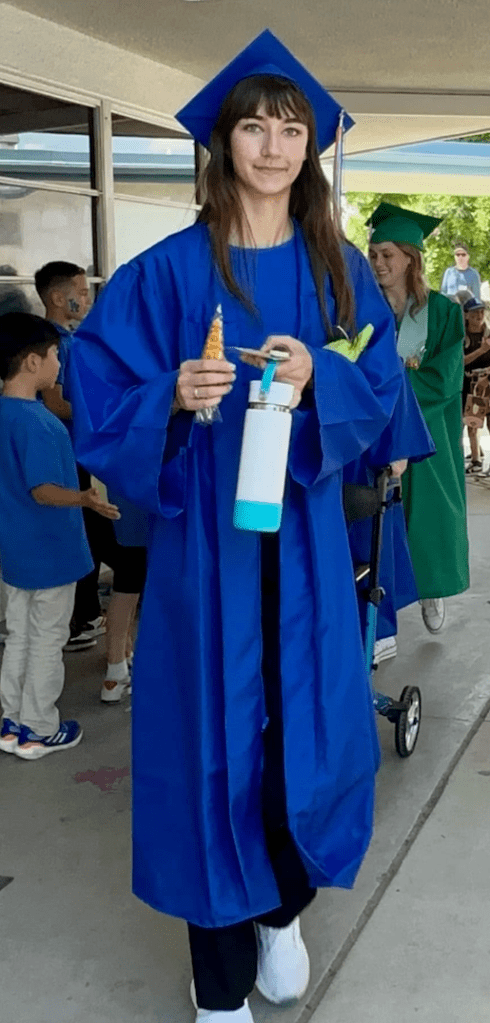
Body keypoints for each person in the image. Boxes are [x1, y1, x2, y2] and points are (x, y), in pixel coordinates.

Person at [68, 30, 410, 1023]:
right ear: (225, 143)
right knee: (208, 749)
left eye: (291, 129)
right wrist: (171, 396)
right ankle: (218, 982)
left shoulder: (338, 269)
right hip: (204, 555)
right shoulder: (168, 272)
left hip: (302, 544)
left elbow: (380, 383)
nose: (272, 145)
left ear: (309, 148)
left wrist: (320, 377)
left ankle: (280, 909)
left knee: (307, 738)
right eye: (254, 127)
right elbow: (98, 386)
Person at [0, 313, 119, 761]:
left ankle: (12, 722)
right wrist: (84, 499)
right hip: (52, 554)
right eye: (54, 354)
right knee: (47, 640)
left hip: (15, 553)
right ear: (32, 362)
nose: (58, 363)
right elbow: (43, 491)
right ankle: (39, 729)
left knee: (19, 637)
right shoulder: (41, 423)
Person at [368, 202, 469, 636]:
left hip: (426, 427)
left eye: (388, 255)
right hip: (374, 425)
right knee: (375, 515)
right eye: (374, 254)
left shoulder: (443, 312)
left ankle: (432, 587)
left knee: (426, 513)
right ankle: (377, 604)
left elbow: (445, 378)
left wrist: (389, 384)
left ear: (410, 258)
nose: (379, 263)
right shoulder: (363, 307)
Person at [35, 261, 107, 650]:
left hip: (75, 448)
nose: (87, 299)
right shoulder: (53, 342)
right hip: (62, 450)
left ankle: (87, 611)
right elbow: (56, 403)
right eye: (80, 292)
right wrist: (103, 411)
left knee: (90, 528)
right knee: (83, 530)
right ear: (58, 298)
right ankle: (82, 618)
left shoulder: (69, 337)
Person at [101, 494, 148, 704]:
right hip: (140, 517)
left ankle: (121, 659)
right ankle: (116, 671)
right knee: (128, 592)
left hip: (121, 514)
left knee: (126, 590)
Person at [462, 296, 490, 474]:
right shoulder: (461, 337)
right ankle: (475, 460)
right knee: (472, 424)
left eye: (481, 311)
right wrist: (481, 351)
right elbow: (460, 362)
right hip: (469, 385)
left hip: (488, 383)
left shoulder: (488, 334)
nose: (479, 315)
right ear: (466, 315)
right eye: (474, 312)